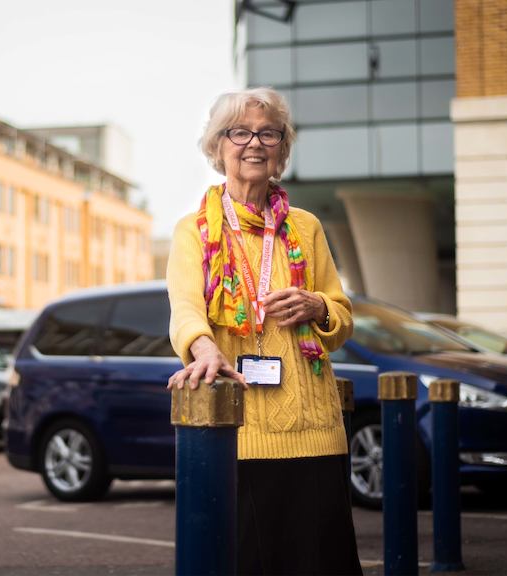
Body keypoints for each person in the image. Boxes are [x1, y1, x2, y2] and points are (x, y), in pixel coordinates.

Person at [166, 87, 360, 575]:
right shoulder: (195, 231)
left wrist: (317, 304)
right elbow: (186, 308)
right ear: (217, 148)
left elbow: (341, 317)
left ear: (281, 150)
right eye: (240, 132)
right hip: (244, 433)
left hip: (316, 433)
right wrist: (205, 349)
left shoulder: (305, 227)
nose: (254, 142)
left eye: (268, 133)